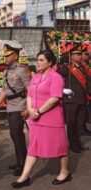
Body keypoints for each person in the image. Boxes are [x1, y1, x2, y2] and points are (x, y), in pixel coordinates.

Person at [11, 50, 70, 188]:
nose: (38, 62)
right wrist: (30, 109)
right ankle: (24, 177)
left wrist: (38, 111)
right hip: (36, 119)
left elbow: (54, 98)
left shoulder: (56, 77)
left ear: (50, 62)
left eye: (41, 60)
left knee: (60, 146)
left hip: (51, 118)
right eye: (37, 59)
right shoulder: (36, 77)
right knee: (33, 147)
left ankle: (65, 171)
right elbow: (30, 94)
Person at [0, 42, 30, 176]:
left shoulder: (22, 70)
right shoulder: (6, 71)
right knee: (14, 135)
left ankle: (23, 163)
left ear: (15, 56)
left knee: (18, 135)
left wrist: (28, 108)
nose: (5, 58)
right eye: (5, 55)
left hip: (20, 106)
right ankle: (19, 160)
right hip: (10, 106)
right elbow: (4, 90)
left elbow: (30, 90)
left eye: (8, 55)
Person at [58, 45, 89, 153]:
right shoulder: (66, 68)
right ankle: (72, 144)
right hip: (71, 101)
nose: (80, 56)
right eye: (77, 54)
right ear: (71, 56)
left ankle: (78, 142)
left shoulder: (81, 67)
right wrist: (63, 90)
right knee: (71, 124)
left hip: (82, 100)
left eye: (81, 54)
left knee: (79, 124)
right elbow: (55, 79)